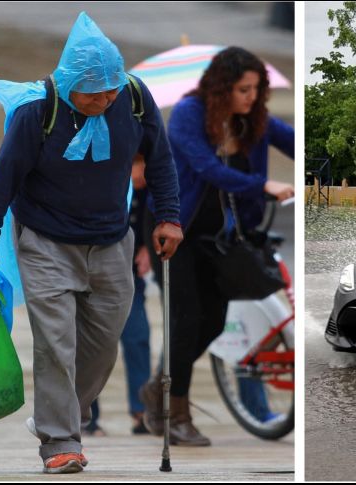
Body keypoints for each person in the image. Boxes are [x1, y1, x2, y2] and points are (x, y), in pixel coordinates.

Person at [0, 12, 181, 474]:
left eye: (110, 90)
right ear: (68, 84)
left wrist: (169, 218)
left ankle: (60, 412)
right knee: (55, 344)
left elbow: (161, 160)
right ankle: (60, 441)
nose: (103, 100)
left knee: (104, 346)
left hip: (111, 241)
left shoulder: (135, 98)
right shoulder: (36, 112)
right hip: (46, 241)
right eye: (93, 92)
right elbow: (1, 182)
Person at [139, 46, 294, 446]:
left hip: (223, 239)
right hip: (175, 229)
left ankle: (158, 386)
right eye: (243, 89)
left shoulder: (252, 120)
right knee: (186, 319)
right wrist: (263, 185)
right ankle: (177, 414)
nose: (251, 97)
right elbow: (207, 169)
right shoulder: (189, 115)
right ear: (223, 87)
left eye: (257, 89)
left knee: (212, 321)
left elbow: (293, 140)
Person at [84, 155, 153, 438]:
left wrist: (147, 246)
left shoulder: (151, 186)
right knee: (89, 344)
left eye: (143, 166)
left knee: (137, 338)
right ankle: (87, 414)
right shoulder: (98, 174)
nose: (139, 175)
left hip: (130, 272)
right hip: (90, 266)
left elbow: (159, 213)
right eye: (134, 166)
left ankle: (142, 412)